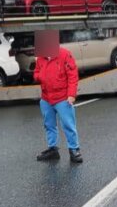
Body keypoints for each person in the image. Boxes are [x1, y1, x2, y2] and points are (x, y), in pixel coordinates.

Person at [33, 30, 83, 163]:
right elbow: (36, 73)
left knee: (68, 124)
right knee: (49, 125)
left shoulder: (65, 54)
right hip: (46, 98)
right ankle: (53, 150)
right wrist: (39, 76)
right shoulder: (40, 58)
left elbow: (73, 75)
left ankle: (74, 149)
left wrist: (71, 95)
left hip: (62, 97)